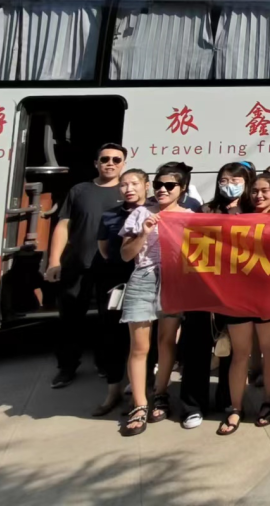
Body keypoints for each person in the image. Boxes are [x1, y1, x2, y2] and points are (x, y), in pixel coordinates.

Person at [45, 143, 127, 389]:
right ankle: (67, 367)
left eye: (116, 159)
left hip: (112, 267)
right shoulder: (79, 190)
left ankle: (105, 364)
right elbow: (63, 225)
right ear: (96, 163)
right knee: (70, 319)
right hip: (77, 265)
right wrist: (54, 261)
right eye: (105, 159)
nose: (110, 163)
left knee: (109, 319)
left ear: (123, 164)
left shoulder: (127, 191)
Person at [181, 162, 256, 425]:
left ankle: (228, 398)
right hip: (204, 290)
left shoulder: (254, 212)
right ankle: (193, 405)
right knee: (196, 348)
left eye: (235, 180)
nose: (229, 185)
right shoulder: (206, 211)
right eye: (224, 180)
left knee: (233, 350)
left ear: (247, 183)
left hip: (239, 293)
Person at [118, 163, 190, 436]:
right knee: (139, 347)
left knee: (167, 342)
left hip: (175, 281)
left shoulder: (190, 216)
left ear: (182, 188)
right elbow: (126, 254)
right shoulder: (140, 213)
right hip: (143, 279)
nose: (162, 190)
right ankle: (139, 404)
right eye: (159, 184)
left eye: (169, 185)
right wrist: (144, 232)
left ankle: (160, 393)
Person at [215, 172, 270, 436]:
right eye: (255, 191)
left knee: (269, 349)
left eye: (265, 191)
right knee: (240, 353)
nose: (259, 195)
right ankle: (236, 407)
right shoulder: (237, 220)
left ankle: (268, 401)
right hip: (238, 295)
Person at [92, 167, 147, 416]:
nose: (129, 189)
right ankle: (113, 390)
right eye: (124, 185)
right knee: (112, 335)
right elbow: (104, 248)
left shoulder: (155, 212)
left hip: (147, 282)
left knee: (144, 341)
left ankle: (142, 393)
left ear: (146, 186)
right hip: (116, 281)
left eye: (134, 183)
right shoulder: (110, 215)